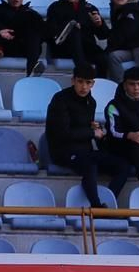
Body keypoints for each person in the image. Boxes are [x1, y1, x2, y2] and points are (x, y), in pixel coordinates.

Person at [45, 65, 130, 207]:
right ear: (73, 81)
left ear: (93, 84)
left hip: (85, 151)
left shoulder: (91, 102)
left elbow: (83, 129)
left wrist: (94, 129)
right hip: (63, 152)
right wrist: (91, 132)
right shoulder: (60, 100)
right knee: (90, 165)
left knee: (123, 166)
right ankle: (96, 207)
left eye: (88, 82)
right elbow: (62, 133)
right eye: (80, 82)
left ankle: (109, 201)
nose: (84, 87)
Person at [45, 0, 109, 72]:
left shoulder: (90, 9)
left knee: (103, 58)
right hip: (63, 48)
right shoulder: (55, 7)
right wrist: (70, 26)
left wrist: (99, 24)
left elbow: (103, 35)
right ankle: (83, 72)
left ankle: (99, 81)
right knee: (74, 31)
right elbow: (50, 33)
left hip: (86, 48)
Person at [0, 0, 46, 77]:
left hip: (25, 48)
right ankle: (33, 67)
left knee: (34, 30)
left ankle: (32, 71)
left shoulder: (31, 13)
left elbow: (43, 33)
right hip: (5, 48)